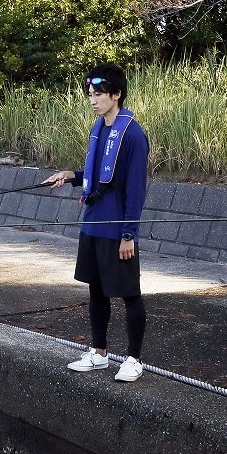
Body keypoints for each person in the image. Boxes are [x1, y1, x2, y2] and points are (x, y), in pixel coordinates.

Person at [44, 62, 150, 383]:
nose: (93, 100)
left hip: (117, 228)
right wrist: (70, 175)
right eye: (90, 94)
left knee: (130, 294)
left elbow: (135, 190)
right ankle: (99, 353)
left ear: (116, 94)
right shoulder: (99, 127)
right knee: (96, 291)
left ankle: (134, 359)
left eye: (99, 94)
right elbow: (97, 174)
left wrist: (128, 234)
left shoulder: (133, 135)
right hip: (92, 223)